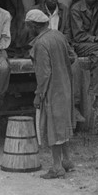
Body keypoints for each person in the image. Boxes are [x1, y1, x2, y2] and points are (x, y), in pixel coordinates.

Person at [26, 9, 75, 179]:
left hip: (52, 90)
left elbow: (44, 74)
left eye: (28, 25)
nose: (27, 29)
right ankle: (67, 161)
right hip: (65, 87)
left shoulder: (40, 44)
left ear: (33, 26)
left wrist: (38, 95)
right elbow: (72, 56)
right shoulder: (59, 35)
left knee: (54, 128)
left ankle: (56, 167)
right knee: (63, 126)